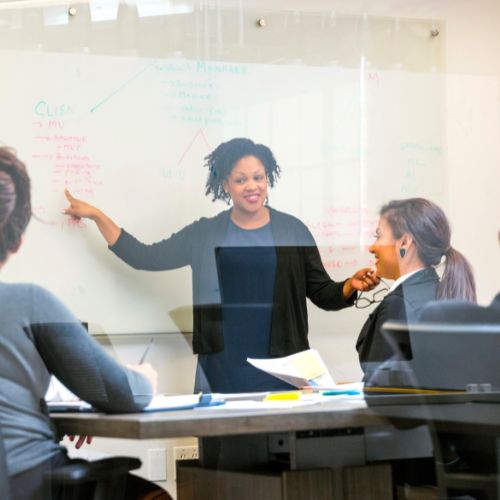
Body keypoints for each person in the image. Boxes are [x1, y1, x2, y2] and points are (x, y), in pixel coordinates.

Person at [64, 137, 378, 393]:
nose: (252, 186)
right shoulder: (205, 233)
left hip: (283, 367)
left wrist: (350, 285)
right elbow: (145, 257)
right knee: (220, 463)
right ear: (225, 184)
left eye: (258, 177)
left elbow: (322, 292)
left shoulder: (292, 230)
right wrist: (97, 216)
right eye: (241, 180)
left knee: (281, 460)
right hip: (222, 368)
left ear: (268, 179)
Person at [0, 147, 168, 499]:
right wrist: (145, 378)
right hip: (28, 482)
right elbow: (124, 393)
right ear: (17, 240)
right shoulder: (29, 304)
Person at [355, 198, 477, 376]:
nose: (372, 247)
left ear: (404, 243)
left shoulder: (399, 304)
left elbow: (383, 387)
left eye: (378, 236)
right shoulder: (439, 291)